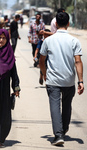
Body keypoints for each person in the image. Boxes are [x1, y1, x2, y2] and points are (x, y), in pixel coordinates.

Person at [39, 12, 84, 146]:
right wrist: (80, 81)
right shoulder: (74, 41)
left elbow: (42, 60)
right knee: (67, 105)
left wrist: (45, 73)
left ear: (56, 24)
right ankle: (63, 129)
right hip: (69, 80)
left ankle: (58, 135)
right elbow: (78, 62)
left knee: (55, 106)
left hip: (53, 80)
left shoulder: (48, 40)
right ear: (68, 24)